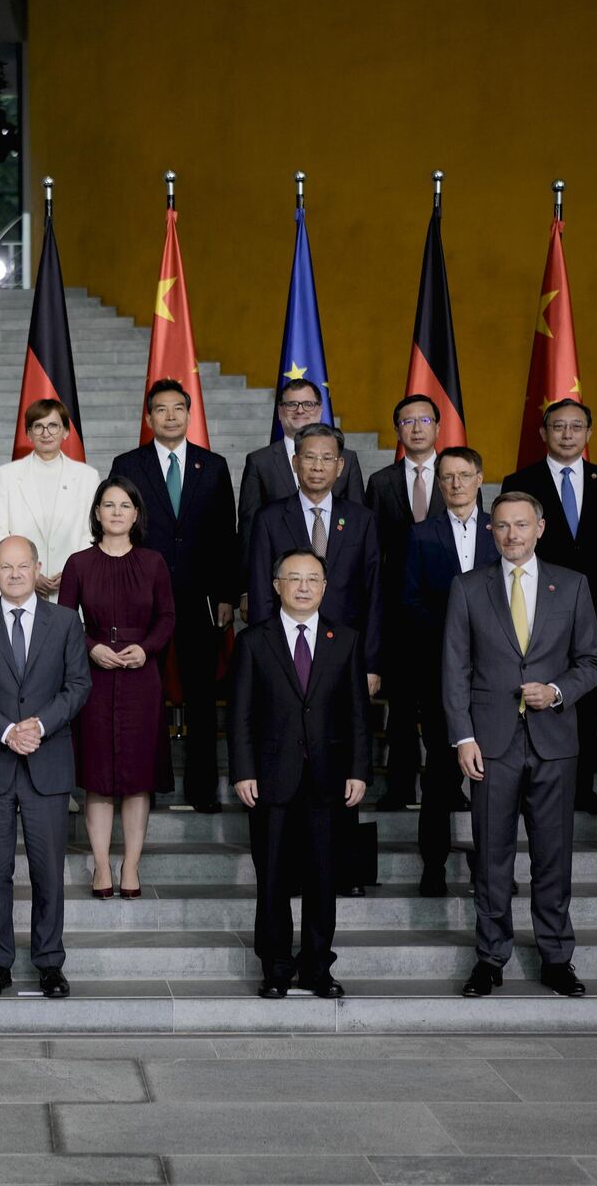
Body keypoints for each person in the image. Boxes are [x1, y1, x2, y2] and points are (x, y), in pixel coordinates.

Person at [443, 491, 597, 999]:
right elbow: (455, 668)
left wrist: (557, 691)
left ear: (540, 528)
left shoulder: (573, 586)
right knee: (491, 857)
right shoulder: (468, 587)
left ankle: (557, 957)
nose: (512, 535)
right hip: (490, 744)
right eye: (502, 526)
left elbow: (592, 662)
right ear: (491, 531)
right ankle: (491, 958)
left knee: (553, 856)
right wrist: (462, 736)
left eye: (522, 525)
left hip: (554, 743)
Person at [0, 537, 92, 999]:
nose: (14, 574)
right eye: (5, 566)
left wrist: (39, 724)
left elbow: (77, 685)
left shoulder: (66, 621)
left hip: (48, 762)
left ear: (37, 569)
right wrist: (9, 731)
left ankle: (49, 963)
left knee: (48, 870)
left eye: (22, 566)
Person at [230, 548, 370, 999]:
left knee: (323, 879)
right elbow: (241, 715)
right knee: (271, 878)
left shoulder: (344, 639)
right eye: (294, 578)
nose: (304, 587)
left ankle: (316, 967)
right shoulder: (254, 640)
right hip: (271, 778)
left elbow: (357, 714)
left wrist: (359, 770)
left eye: (313, 579)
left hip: (328, 779)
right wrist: (243, 771)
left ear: (324, 587)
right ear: (277, 586)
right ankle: (275, 967)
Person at [108, 379, 237, 812]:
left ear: (189, 413)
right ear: (148, 418)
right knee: (146, 695)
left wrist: (225, 594)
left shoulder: (213, 466)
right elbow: (116, 527)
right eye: (160, 410)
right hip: (142, 598)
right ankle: (149, 788)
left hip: (199, 600)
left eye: (178, 409)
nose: (170, 416)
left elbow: (226, 534)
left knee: (201, 696)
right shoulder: (128, 464)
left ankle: (203, 791)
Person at [501, 399, 597, 814]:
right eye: (559, 427)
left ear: (589, 434)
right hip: (536, 610)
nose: (568, 434)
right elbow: (512, 548)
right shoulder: (520, 480)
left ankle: (581, 788)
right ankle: (527, 788)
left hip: (595, 611)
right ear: (544, 433)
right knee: (531, 699)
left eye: (576, 427)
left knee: (584, 703)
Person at [57, 477, 175, 897]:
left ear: (137, 514)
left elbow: (167, 617)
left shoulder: (154, 562)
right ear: (97, 513)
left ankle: (132, 867)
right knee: (99, 777)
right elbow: (65, 621)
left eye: (125, 505)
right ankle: (102, 866)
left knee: (137, 777)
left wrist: (146, 650)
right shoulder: (78, 563)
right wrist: (91, 648)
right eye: (108, 505)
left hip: (142, 676)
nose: (117, 512)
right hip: (94, 677)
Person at [400, 446, 493, 897]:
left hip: (498, 677)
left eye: (463, 475)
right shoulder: (421, 534)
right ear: (439, 484)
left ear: (479, 478)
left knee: (493, 780)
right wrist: (458, 632)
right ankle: (433, 865)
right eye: (447, 477)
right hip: (442, 672)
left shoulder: (504, 530)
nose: (455, 484)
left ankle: (490, 868)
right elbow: (410, 601)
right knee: (439, 773)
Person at [245, 424, 382, 681]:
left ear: (340, 466)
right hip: (285, 649)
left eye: (327, 458)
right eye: (309, 457)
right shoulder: (269, 518)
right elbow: (261, 591)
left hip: (346, 650)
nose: (318, 466)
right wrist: (264, 657)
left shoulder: (361, 520)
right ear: (295, 462)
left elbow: (373, 594)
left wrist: (371, 663)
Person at [369, 394, 443, 811]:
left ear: (437, 427)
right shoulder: (381, 483)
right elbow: (374, 550)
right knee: (400, 711)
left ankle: (445, 786)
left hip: (447, 614)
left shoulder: (456, 475)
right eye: (407, 421)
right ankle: (398, 787)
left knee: (443, 709)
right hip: (398, 613)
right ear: (398, 430)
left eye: (424, 419)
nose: (416, 427)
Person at [237, 379, 362, 570]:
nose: (300, 410)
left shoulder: (347, 458)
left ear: (320, 410)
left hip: (340, 576)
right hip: (279, 577)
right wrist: (246, 589)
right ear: (279, 411)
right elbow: (249, 529)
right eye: (291, 404)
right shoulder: (259, 461)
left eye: (308, 404)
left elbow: (358, 522)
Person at [0, 399, 99, 601]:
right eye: (38, 426)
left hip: (73, 587)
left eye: (53, 426)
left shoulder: (87, 476)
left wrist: (74, 573)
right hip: (17, 585)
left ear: (66, 431)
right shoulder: (7, 475)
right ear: (28, 433)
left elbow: (91, 532)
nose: (46, 433)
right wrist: (28, 573)